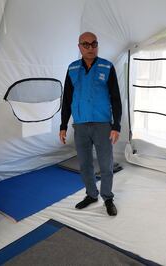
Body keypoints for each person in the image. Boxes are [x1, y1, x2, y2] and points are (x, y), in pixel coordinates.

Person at [59, 32, 122, 216]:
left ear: (97, 45)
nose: (90, 48)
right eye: (85, 45)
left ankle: (108, 198)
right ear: (79, 47)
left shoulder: (107, 67)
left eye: (94, 44)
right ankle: (91, 194)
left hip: (102, 125)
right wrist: (63, 125)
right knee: (85, 164)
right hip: (80, 126)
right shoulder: (72, 69)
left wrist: (116, 126)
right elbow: (67, 99)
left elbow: (116, 99)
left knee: (105, 164)